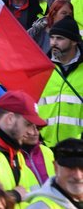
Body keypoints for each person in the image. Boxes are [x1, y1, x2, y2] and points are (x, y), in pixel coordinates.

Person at [40, 16, 83, 146]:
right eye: (52, 37)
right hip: (44, 148)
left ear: (74, 41)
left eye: (60, 38)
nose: (53, 42)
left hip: (77, 151)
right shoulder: (43, 69)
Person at [26, 138, 83, 208]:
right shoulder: (41, 206)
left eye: (82, 168)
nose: (78, 176)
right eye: (70, 167)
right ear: (55, 167)